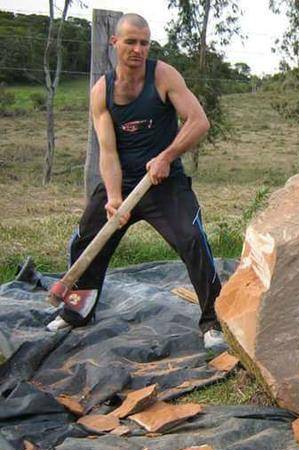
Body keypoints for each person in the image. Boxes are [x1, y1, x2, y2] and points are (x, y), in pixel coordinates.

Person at [47, 13, 224, 350]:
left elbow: (198, 121)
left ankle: (213, 321)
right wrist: (113, 197)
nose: (138, 49)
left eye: (144, 42)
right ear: (115, 43)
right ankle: (78, 313)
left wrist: (166, 156)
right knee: (85, 240)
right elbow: (108, 151)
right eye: (130, 41)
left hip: (164, 182)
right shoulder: (102, 91)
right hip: (123, 181)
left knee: (192, 239)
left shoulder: (163, 76)